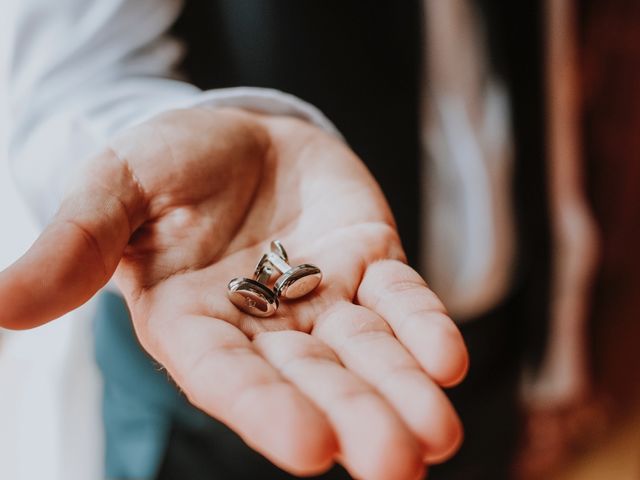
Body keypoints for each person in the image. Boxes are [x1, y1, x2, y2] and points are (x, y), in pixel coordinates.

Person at [1, 1, 597, 479]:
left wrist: (555, 348)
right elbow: (67, 70)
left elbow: (544, 65)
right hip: (214, 410)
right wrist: (155, 149)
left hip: (478, 355)